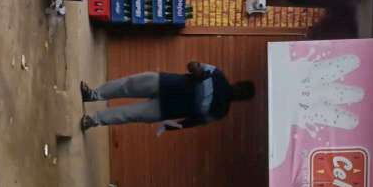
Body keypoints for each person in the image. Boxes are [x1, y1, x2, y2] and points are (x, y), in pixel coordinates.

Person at [80, 62, 255, 132]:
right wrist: (197, 70)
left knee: (127, 114)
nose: (239, 93)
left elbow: (194, 122)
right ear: (238, 83)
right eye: (241, 89)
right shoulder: (217, 75)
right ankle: (93, 94)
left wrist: (170, 127)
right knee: (127, 85)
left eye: (242, 95)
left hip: (165, 110)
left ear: (240, 100)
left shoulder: (220, 111)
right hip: (165, 83)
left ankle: (92, 120)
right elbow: (192, 64)